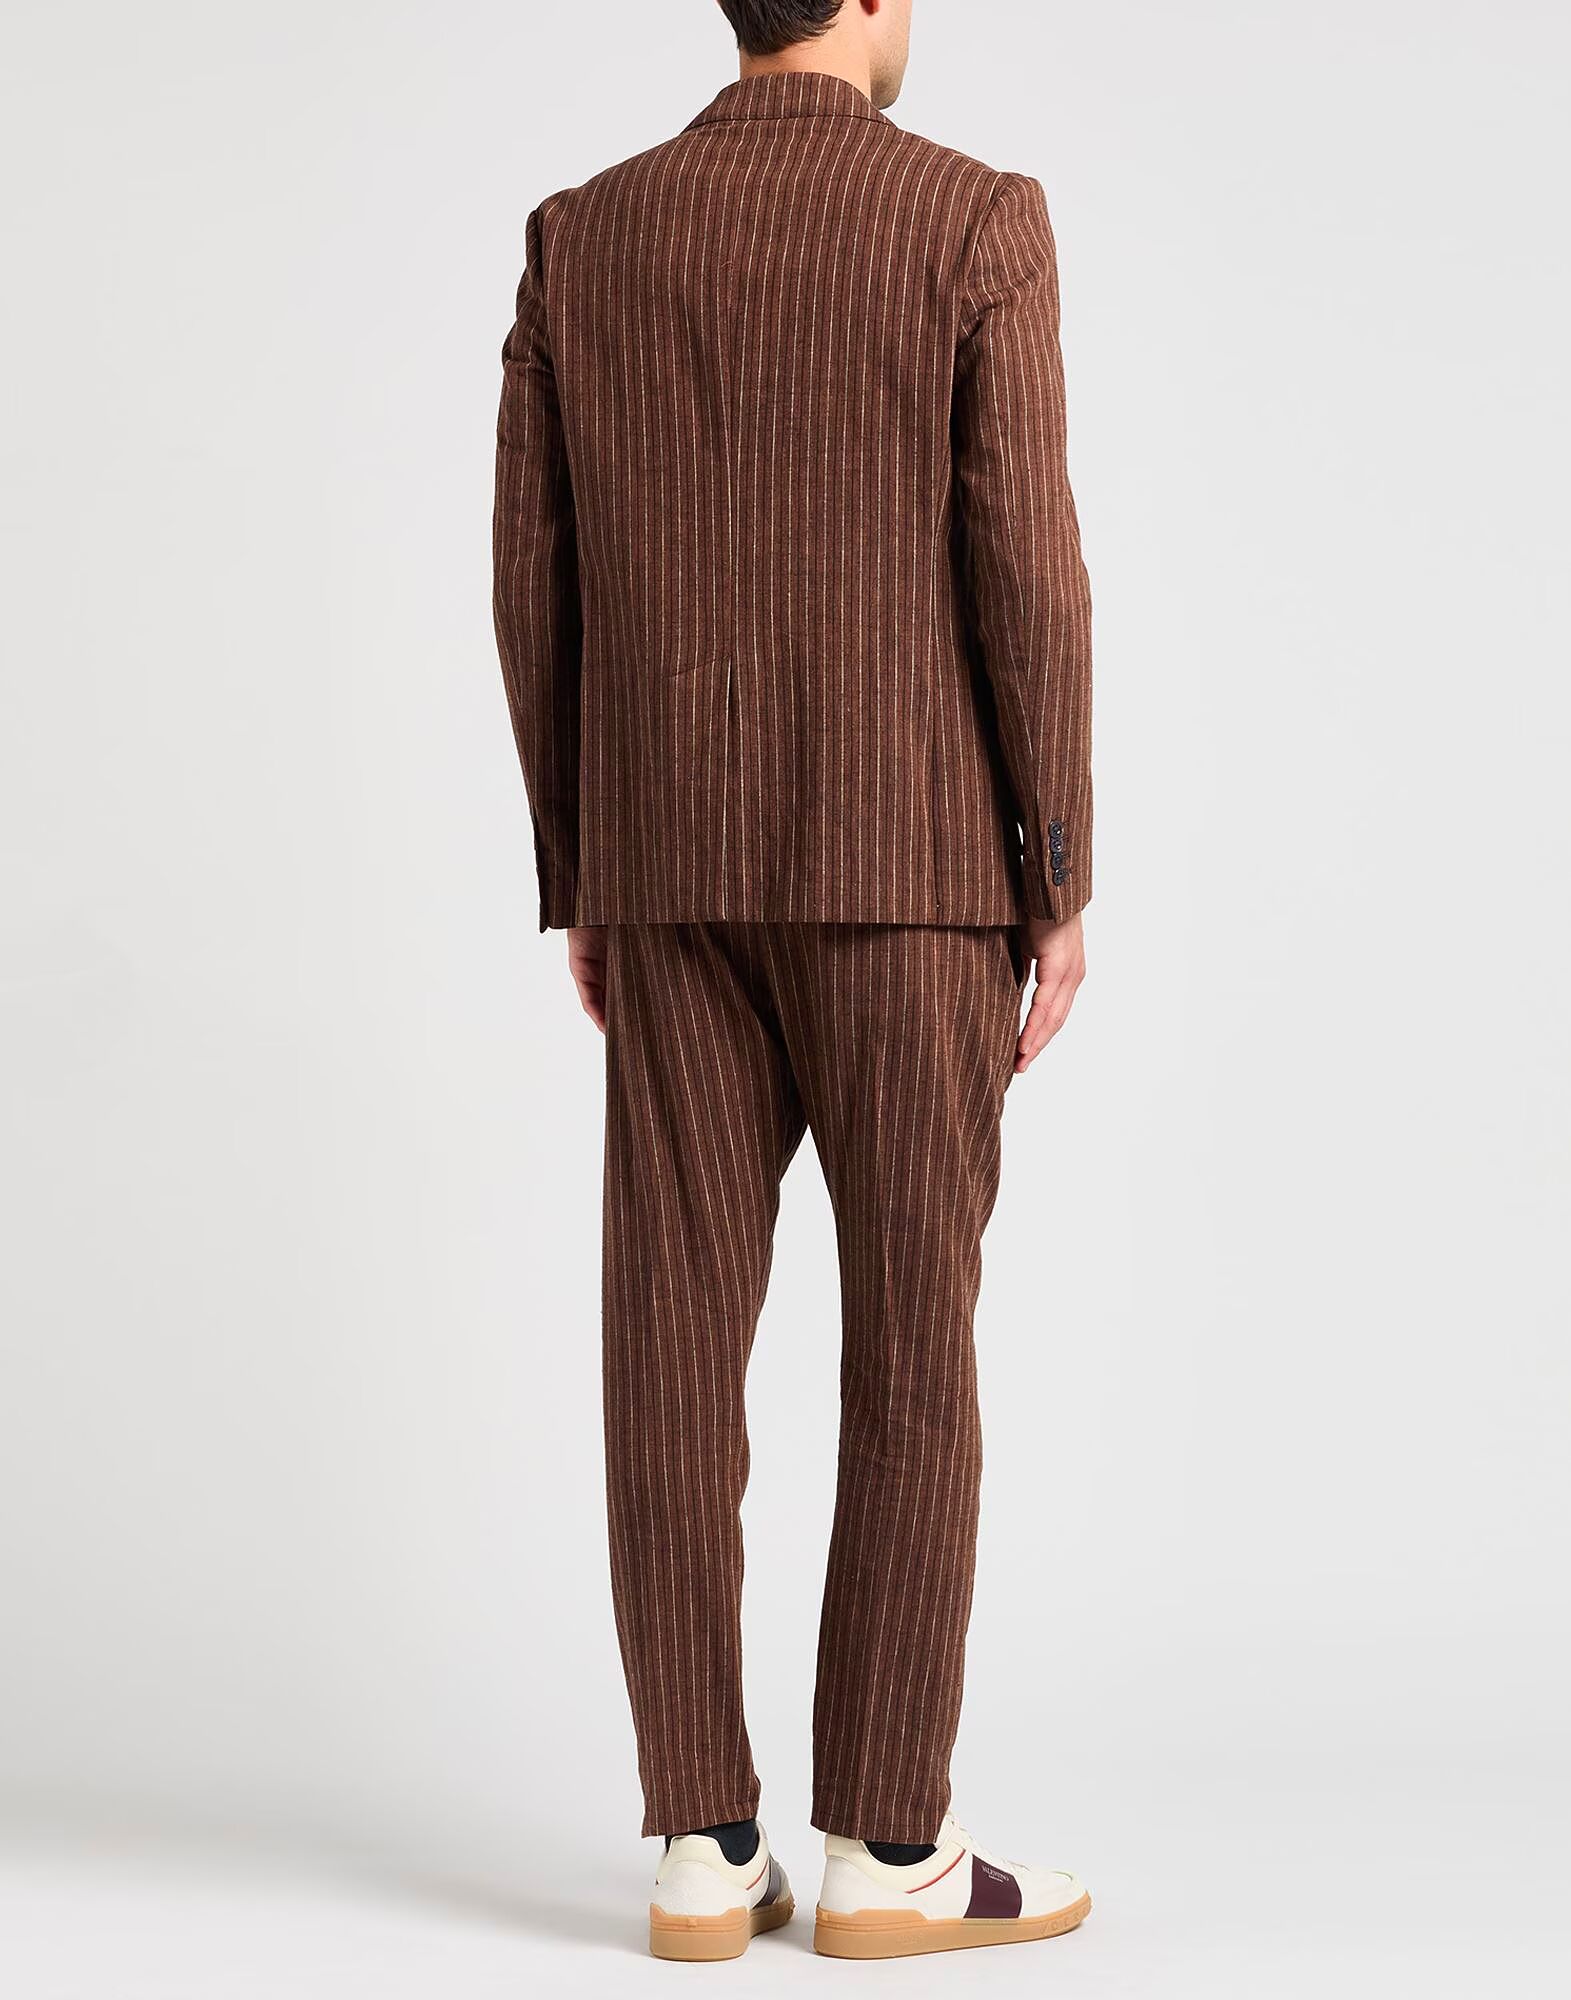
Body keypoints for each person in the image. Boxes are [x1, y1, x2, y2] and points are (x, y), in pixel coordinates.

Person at [493, 0, 1094, 1962]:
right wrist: (1056, 871)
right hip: (915, 872)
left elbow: (530, 572)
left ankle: (698, 1842)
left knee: (670, 1343)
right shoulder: (972, 219)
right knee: (913, 1348)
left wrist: (586, 863)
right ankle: (888, 1851)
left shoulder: (587, 233)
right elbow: (1027, 564)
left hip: (669, 863)